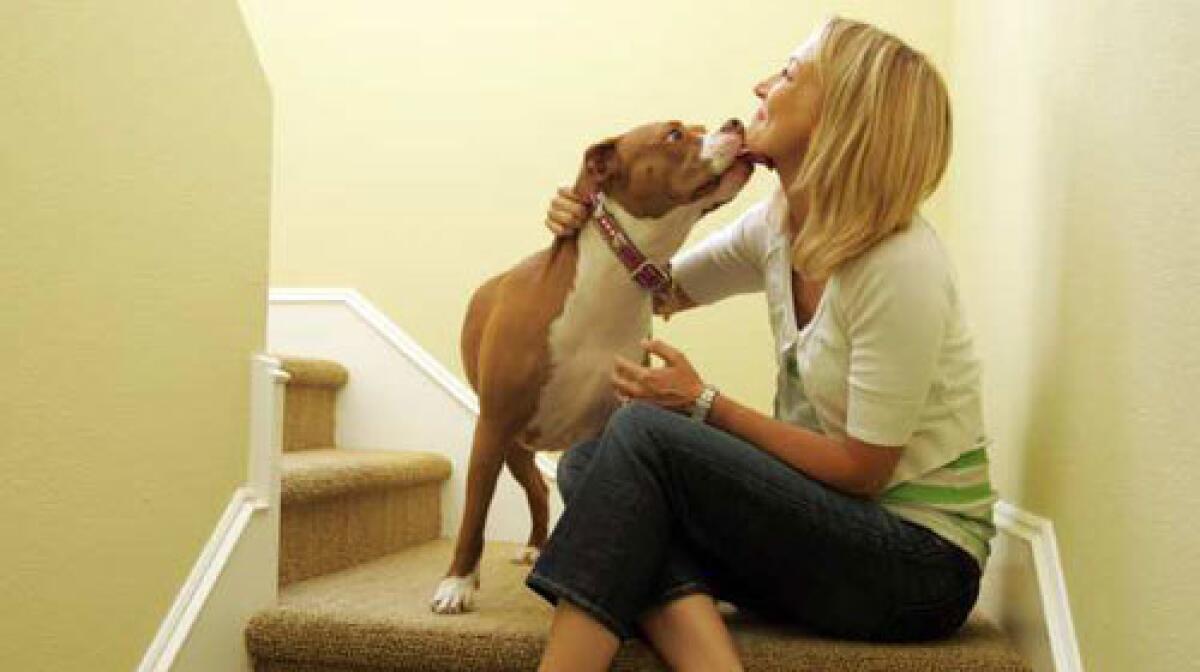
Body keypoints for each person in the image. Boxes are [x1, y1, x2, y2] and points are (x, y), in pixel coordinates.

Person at [527, 16, 998, 672]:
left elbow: (863, 472)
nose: (761, 86)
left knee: (642, 435)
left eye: (788, 74)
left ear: (847, 113)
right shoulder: (776, 225)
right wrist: (592, 220)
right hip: (830, 531)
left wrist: (706, 404)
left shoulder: (899, 263)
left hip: (918, 568)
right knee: (588, 461)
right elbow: (655, 290)